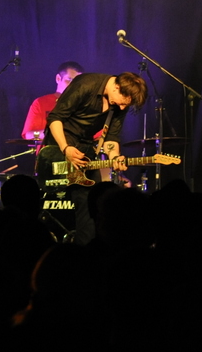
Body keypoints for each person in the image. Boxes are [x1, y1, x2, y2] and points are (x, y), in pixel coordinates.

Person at [36, 71, 146, 243]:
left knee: (91, 201)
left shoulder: (118, 104)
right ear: (117, 87)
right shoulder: (86, 84)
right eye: (123, 103)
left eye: (126, 105)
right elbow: (55, 117)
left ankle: (85, 249)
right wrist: (65, 148)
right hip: (59, 146)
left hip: (85, 149)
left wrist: (115, 157)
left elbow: (111, 137)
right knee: (47, 198)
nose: (122, 108)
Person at [21, 61, 83, 140]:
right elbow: (28, 135)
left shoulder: (83, 104)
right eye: (69, 80)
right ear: (58, 78)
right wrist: (57, 132)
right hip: (48, 147)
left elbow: (95, 136)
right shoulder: (41, 103)